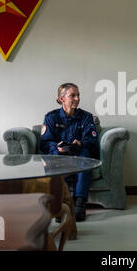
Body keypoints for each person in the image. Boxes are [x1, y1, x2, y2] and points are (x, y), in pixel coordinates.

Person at [40, 83, 99, 221]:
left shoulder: (86, 117)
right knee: (56, 157)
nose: (77, 98)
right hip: (60, 154)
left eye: (78, 95)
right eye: (73, 95)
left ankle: (79, 203)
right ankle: (62, 203)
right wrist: (56, 147)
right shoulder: (51, 117)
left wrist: (80, 143)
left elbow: (92, 142)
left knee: (85, 155)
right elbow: (44, 143)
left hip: (79, 153)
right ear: (62, 99)